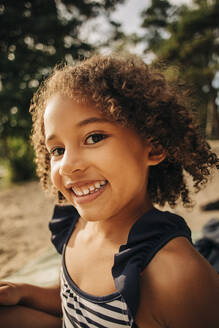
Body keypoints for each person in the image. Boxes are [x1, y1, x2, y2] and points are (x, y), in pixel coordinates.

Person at [0, 54, 219, 328]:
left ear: (153, 148)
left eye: (94, 138)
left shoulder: (174, 272)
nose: (68, 165)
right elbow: (72, 303)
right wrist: (23, 292)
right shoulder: (76, 227)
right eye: (57, 150)